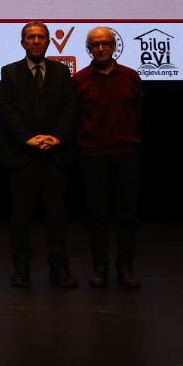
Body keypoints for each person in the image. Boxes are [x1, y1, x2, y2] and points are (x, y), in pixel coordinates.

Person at [0, 21, 79, 288]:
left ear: (48, 42)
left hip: (55, 155)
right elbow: (6, 109)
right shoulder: (9, 71)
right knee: (21, 218)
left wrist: (57, 136)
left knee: (57, 217)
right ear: (22, 42)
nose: (35, 41)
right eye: (30, 37)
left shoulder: (61, 71)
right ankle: (21, 270)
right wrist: (27, 138)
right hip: (23, 156)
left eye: (41, 37)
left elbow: (71, 107)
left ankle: (59, 269)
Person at [75, 26, 143, 289]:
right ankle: (100, 267)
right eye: (95, 44)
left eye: (105, 43)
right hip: (92, 156)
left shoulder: (131, 76)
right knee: (97, 216)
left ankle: (125, 267)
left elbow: (137, 113)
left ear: (114, 46)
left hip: (126, 154)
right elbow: (76, 118)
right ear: (89, 48)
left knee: (127, 215)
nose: (101, 48)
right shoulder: (79, 80)